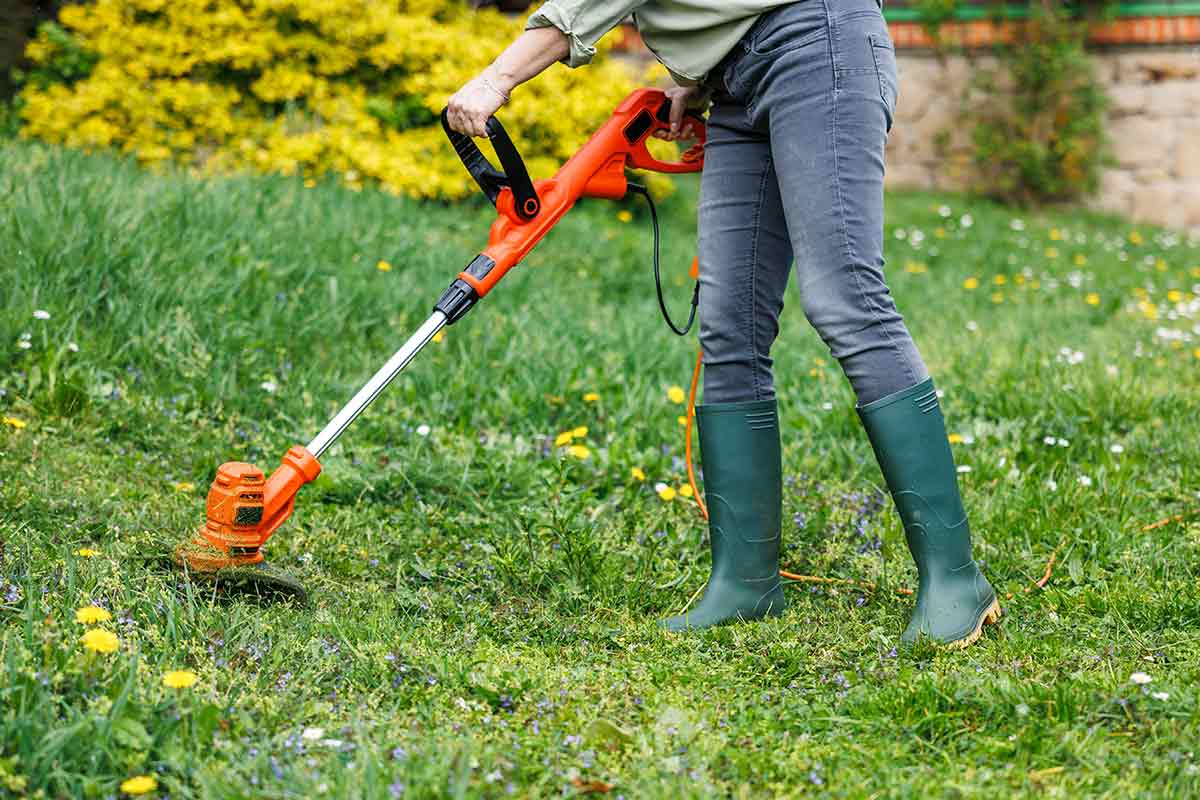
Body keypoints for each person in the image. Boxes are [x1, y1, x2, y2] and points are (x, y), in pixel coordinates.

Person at [446, 0, 1001, 648]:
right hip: (735, 83)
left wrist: (497, 78)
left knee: (845, 298)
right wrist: (698, 75)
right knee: (729, 321)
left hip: (815, 42)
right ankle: (745, 582)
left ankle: (956, 579)